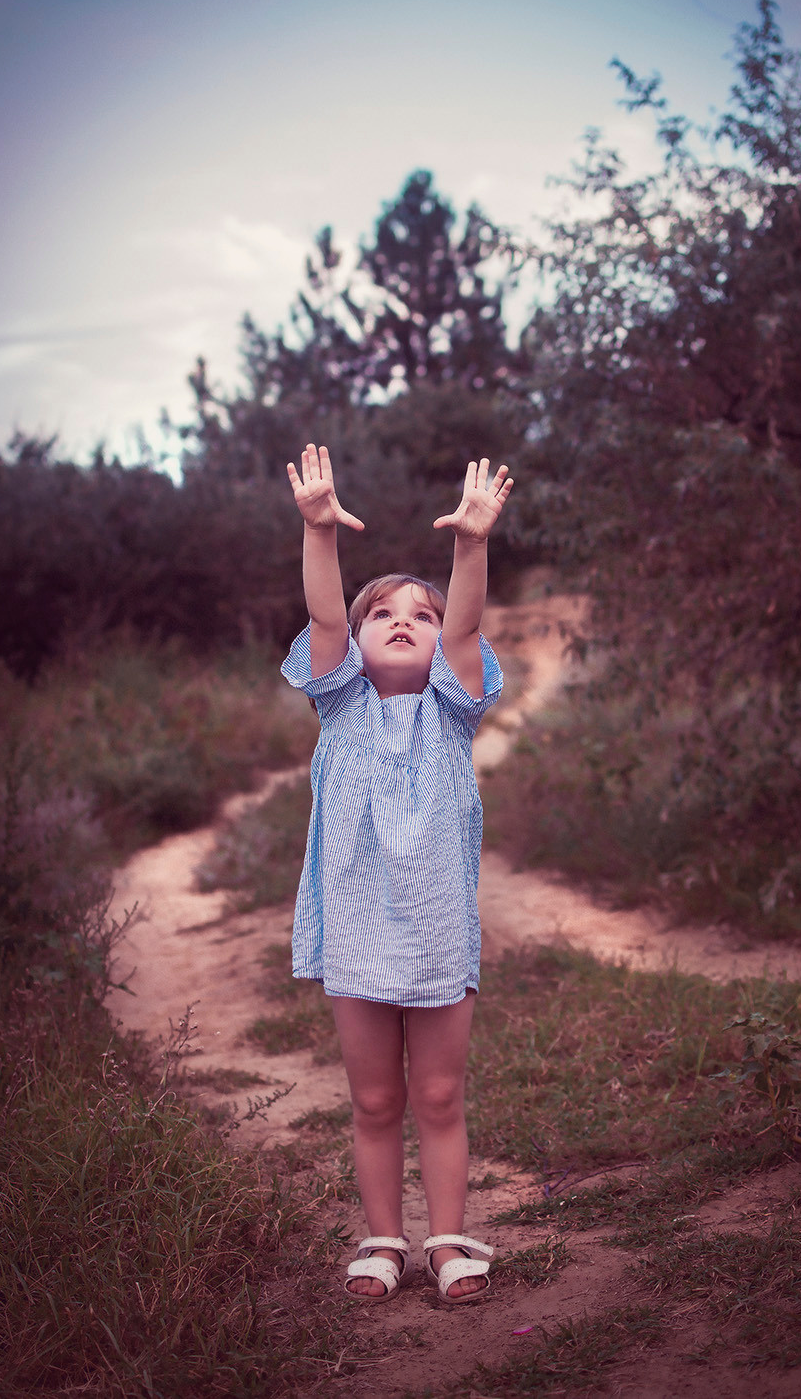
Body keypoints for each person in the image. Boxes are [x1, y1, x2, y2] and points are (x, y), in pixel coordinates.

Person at [282, 443, 514, 1306]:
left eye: (419, 612)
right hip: (355, 928)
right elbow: (328, 618)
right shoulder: (337, 703)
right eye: (385, 614)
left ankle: (448, 1242)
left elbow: (462, 627)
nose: (406, 620)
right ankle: (383, 1240)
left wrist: (471, 546)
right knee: (376, 1100)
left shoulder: (452, 714)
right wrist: (318, 533)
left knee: (442, 1095)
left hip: (438, 930)